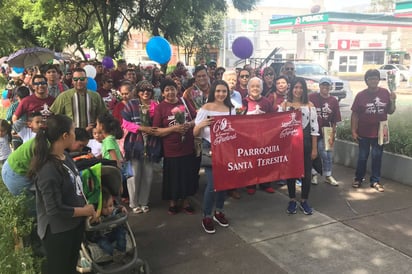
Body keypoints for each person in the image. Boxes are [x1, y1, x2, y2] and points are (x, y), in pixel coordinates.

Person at [28, 114, 96, 274]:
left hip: (72, 226)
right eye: (73, 131)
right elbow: (54, 209)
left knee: (70, 267)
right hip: (58, 233)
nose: (75, 134)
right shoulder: (48, 169)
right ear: (65, 136)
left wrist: (88, 210)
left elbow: (75, 189)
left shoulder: (65, 158)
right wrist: (84, 211)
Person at [193, 80, 234, 234]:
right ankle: (207, 215)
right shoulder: (205, 108)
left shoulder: (231, 109)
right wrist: (201, 124)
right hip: (209, 148)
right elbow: (195, 133)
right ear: (213, 92)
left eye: (224, 91)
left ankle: (219, 211)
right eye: (218, 91)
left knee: (223, 184)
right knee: (213, 184)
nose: (221, 94)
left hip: (225, 149)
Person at [153, 79, 197, 215]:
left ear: (177, 90)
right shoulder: (160, 107)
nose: (170, 92)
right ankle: (172, 201)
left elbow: (196, 118)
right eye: (167, 90)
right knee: (172, 176)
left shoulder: (184, 102)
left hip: (187, 146)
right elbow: (156, 130)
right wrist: (174, 129)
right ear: (163, 93)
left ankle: (185, 200)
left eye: (172, 89)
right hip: (170, 149)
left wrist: (188, 125)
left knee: (186, 174)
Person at [351, 69, 396, 192]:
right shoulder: (360, 95)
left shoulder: (385, 93)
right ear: (366, 81)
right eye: (370, 78)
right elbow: (355, 114)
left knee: (377, 157)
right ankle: (358, 178)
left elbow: (390, 111)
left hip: (380, 132)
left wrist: (393, 100)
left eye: (375, 78)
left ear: (378, 80)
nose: (373, 81)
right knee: (362, 157)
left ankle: (375, 181)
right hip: (363, 132)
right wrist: (354, 131)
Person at [280, 77, 319, 215]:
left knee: (306, 174)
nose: (298, 90)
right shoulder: (284, 105)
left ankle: (304, 200)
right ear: (292, 89)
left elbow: (315, 129)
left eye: (301, 87)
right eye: (296, 87)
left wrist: (314, 148)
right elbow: (278, 127)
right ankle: (292, 199)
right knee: (291, 173)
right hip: (290, 144)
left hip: (306, 143)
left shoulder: (310, 106)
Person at [122, 80, 160, 214]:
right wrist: (141, 128)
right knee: (134, 174)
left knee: (148, 175)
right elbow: (125, 124)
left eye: (148, 90)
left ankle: (144, 202)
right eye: (142, 90)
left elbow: (159, 122)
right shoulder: (131, 105)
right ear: (137, 92)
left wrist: (152, 129)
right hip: (134, 144)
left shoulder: (156, 105)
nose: (145, 93)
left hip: (151, 143)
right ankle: (133, 202)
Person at [243, 77, 275, 194]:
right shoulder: (244, 102)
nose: (255, 88)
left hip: (264, 137)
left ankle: (265, 184)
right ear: (248, 88)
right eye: (252, 86)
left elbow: (273, 119)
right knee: (251, 162)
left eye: (258, 86)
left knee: (264, 162)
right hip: (248, 138)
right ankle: (250, 184)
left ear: (261, 88)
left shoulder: (266, 102)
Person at [50, 67, 107, 132]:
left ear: (87, 80)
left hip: (91, 136)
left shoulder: (95, 96)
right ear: (72, 81)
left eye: (82, 79)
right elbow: (55, 117)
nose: (79, 81)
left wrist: (96, 126)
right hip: (71, 137)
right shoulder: (64, 96)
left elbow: (103, 115)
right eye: (76, 79)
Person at [309, 77, 342, 186]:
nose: (325, 87)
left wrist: (333, 133)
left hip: (326, 131)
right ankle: (314, 174)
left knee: (327, 154)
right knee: (316, 152)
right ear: (319, 86)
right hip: (313, 130)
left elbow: (335, 119)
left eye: (327, 85)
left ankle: (328, 174)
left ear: (330, 87)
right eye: (323, 85)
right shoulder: (312, 97)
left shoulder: (333, 100)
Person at [93, 188, 127, 256]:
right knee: (103, 243)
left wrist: (122, 208)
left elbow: (118, 208)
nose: (109, 209)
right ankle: (114, 253)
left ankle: (122, 250)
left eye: (111, 205)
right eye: (105, 207)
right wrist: (95, 220)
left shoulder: (114, 210)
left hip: (113, 232)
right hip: (102, 236)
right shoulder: (98, 216)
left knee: (121, 233)